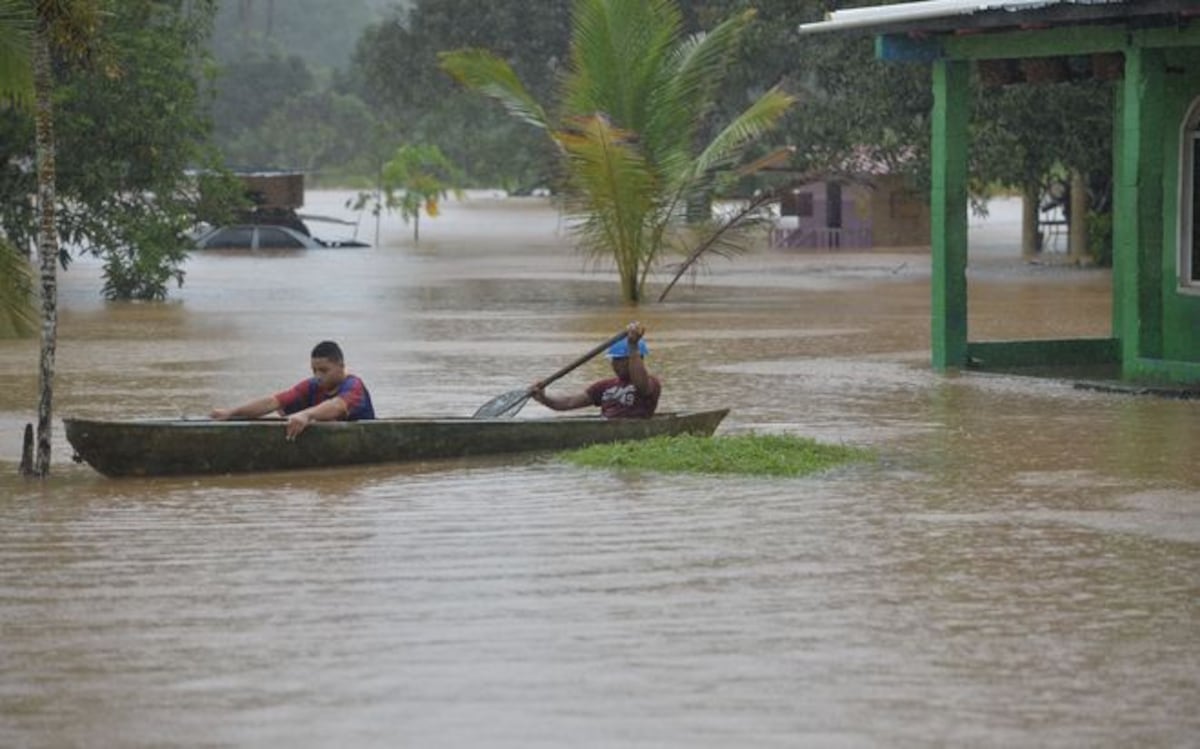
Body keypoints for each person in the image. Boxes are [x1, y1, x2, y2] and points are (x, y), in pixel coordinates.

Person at [209, 340, 375, 439]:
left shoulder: (354, 386)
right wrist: (232, 412)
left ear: (341, 366)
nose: (318, 376)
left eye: (324, 370)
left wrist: (306, 415)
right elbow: (273, 402)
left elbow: (337, 406)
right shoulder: (312, 385)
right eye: (314, 370)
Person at [530, 322, 661, 418]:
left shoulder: (651, 383)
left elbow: (641, 385)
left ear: (634, 358)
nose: (614, 364)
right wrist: (544, 398)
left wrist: (632, 346)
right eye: (613, 360)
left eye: (619, 360)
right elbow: (569, 402)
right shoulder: (604, 386)